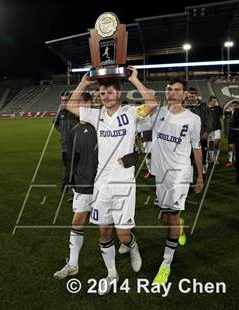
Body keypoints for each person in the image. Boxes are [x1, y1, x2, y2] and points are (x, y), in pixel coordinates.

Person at [65, 67, 158, 295]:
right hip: (101, 185)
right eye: (102, 93)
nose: (105, 96)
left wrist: (134, 79)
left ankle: (131, 245)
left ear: (118, 94)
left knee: (122, 235)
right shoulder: (95, 116)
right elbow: (70, 106)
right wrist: (84, 84)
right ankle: (111, 273)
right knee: (104, 232)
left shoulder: (130, 113)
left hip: (124, 184)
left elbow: (153, 104)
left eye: (109, 92)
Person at [139, 77, 204, 284]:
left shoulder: (193, 119)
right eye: (169, 89)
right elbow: (139, 124)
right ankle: (181, 223)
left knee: (172, 218)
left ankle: (165, 264)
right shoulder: (158, 113)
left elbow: (196, 147)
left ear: (185, 94)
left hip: (180, 174)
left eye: (177, 89)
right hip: (161, 174)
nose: (172, 92)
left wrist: (200, 176)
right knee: (168, 218)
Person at [53, 92, 98, 279]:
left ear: (89, 104)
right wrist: (69, 177)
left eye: (82, 103)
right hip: (83, 182)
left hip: (103, 183)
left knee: (109, 226)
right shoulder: (74, 130)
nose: (78, 107)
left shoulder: (102, 124)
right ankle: (73, 264)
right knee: (77, 221)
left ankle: (128, 242)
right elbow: (72, 158)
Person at [54, 91, 80, 192]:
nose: (64, 102)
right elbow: (56, 124)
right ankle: (74, 191)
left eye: (66, 100)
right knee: (69, 168)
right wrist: (62, 132)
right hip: (64, 147)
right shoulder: (60, 113)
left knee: (76, 170)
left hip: (76, 147)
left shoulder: (76, 113)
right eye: (62, 100)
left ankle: (73, 189)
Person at [186, 87, 210, 177]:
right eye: (189, 97)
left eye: (192, 96)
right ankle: (190, 175)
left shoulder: (204, 106)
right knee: (189, 156)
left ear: (196, 96)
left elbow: (209, 119)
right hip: (188, 137)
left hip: (201, 135)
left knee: (203, 155)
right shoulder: (185, 106)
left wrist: (207, 131)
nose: (190, 99)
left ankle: (203, 173)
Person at [224, 101, 239, 167]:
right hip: (230, 131)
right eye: (233, 105)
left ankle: (236, 160)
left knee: (237, 147)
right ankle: (230, 161)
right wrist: (225, 131)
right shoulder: (228, 113)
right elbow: (225, 122)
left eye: (236, 105)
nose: (235, 107)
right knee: (230, 146)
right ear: (231, 106)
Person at [206, 95, 223, 164]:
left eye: (215, 101)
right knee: (210, 144)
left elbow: (223, 114)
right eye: (213, 101)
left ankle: (216, 158)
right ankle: (212, 158)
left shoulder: (219, 108)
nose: (215, 103)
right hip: (209, 129)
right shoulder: (206, 109)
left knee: (216, 143)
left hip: (217, 128)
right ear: (209, 101)